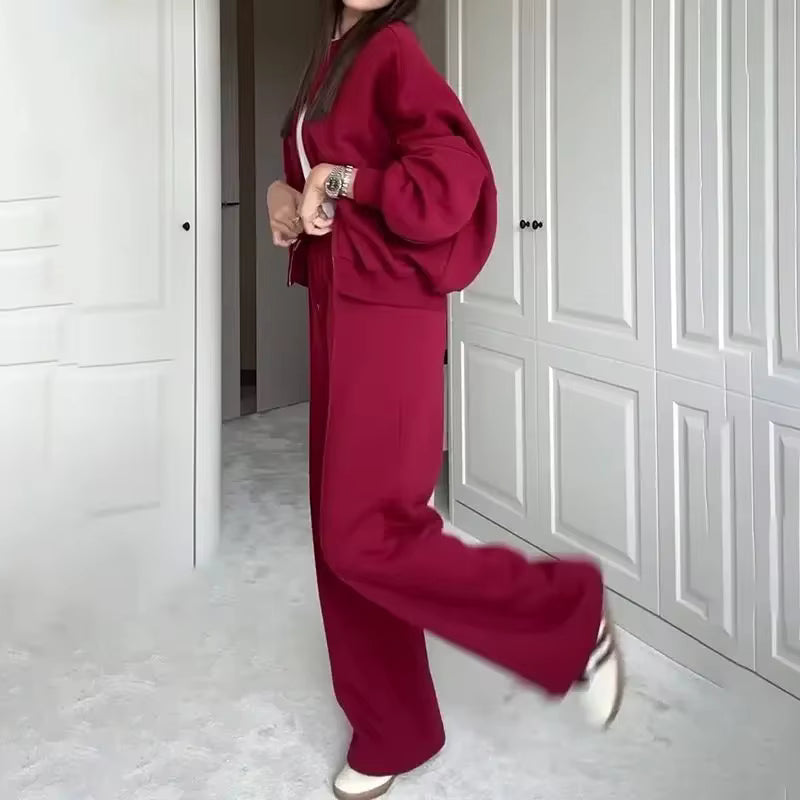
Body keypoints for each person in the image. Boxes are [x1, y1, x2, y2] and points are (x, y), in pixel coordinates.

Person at [266, 1, 625, 798]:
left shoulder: (391, 49)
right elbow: (320, 177)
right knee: (339, 535)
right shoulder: (331, 57)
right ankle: (394, 728)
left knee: (367, 533)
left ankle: (567, 616)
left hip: (386, 316)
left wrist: (342, 180)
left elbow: (449, 182)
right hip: (336, 307)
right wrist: (282, 196)